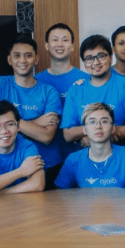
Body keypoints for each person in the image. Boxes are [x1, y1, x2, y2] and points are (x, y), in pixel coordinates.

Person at [0, 35, 63, 186]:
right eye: (17, 55)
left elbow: (46, 136)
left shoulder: (49, 92)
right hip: (9, 166)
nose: (22, 60)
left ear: (36, 59)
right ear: (9, 60)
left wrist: (9, 124)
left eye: (28, 55)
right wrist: (35, 122)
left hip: (47, 164)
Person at [61, 34, 125, 147]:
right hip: (86, 154)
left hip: (122, 152)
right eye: (89, 58)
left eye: (101, 56)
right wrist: (94, 134)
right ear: (84, 63)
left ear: (111, 58)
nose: (96, 62)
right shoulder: (75, 90)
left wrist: (101, 137)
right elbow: (68, 134)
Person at [54, 103, 125, 190]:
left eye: (104, 121)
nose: (98, 126)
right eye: (92, 122)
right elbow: (60, 196)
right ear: (85, 129)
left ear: (113, 128)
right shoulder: (73, 160)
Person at [35, 23, 89, 161]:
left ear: (72, 46)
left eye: (65, 40)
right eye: (55, 40)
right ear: (46, 45)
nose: (60, 44)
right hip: (45, 156)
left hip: (80, 153)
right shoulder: (36, 81)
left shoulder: (86, 79)